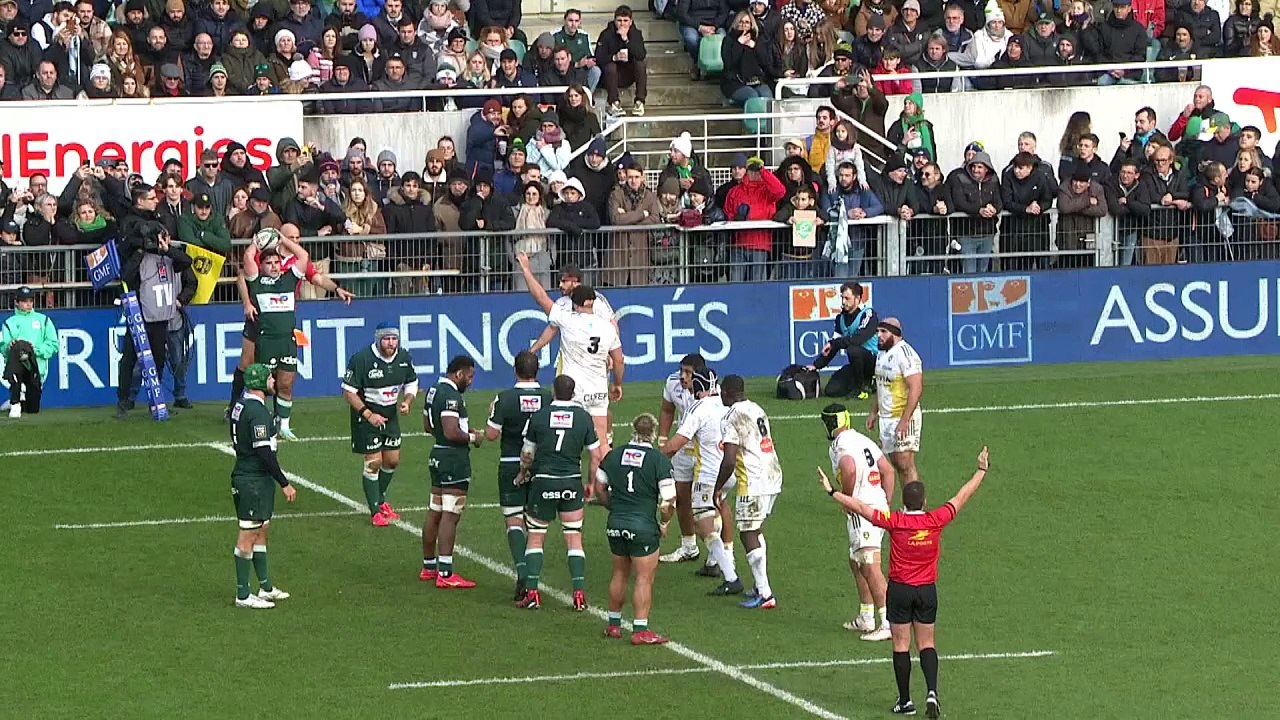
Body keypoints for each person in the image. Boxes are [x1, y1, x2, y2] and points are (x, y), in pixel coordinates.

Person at [818, 447, 991, 719]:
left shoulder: (894, 521)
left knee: (901, 645)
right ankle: (932, 692)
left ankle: (906, 701)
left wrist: (832, 492)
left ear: (904, 502)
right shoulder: (935, 520)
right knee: (927, 644)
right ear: (924, 502)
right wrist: (980, 470)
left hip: (899, 591)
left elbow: (862, 508)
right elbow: (962, 496)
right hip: (926, 590)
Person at [517, 254, 624, 457]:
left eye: (564, 280)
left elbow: (540, 298)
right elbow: (619, 357)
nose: (560, 284)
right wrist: (617, 382)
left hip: (575, 385)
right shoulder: (604, 326)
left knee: (565, 431)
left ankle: (561, 471)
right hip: (597, 385)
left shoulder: (571, 317)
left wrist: (526, 269)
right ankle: (604, 480)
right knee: (600, 441)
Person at [516, 373, 605, 610]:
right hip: (570, 482)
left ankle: (532, 593)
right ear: (573, 393)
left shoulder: (540, 416)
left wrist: (523, 472)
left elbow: (527, 454)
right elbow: (596, 455)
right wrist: (590, 483)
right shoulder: (583, 418)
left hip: (543, 481)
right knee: (574, 537)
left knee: (535, 536)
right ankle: (578, 595)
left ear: (553, 391)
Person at [594, 412, 676, 645]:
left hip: (616, 522)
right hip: (642, 526)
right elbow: (668, 502)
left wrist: (614, 507)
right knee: (643, 577)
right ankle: (640, 629)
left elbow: (599, 489)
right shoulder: (658, 461)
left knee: (619, 572)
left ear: (632, 430)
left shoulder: (613, 456)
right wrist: (664, 523)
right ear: (653, 433)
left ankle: (613, 625)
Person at [661, 367, 742, 595]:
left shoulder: (698, 408)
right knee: (720, 507)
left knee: (701, 523)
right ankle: (716, 562)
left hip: (708, 475)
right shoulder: (727, 406)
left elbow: (678, 442)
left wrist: (654, 457)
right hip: (730, 472)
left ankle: (730, 573)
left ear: (698, 385)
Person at [822, 402, 897, 641]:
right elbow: (888, 471)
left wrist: (846, 498)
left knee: (869, 565)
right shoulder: (863, 439)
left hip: (862, 511)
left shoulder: (839, 445)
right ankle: (866, 616)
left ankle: (887, 622)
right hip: (877, 508)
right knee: (856, 562)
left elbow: (850, 468)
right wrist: (885, 502)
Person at [228, 363, 298, 609]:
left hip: (250, 476)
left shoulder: (240, 405)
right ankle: (243, 594)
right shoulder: (257, 412)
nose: (273, 381)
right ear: (260, 383)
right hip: (253, 479)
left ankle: (265, 587)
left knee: (261, 529)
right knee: (248, 534)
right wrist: (284, 483)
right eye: (269, 378)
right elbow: (264, 454)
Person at [484, 350, 553, 600]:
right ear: (537, 371)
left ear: (515, 370)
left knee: (513, 520)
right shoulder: (548, 398)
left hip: (511, 463)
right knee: (535, 523)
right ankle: (533, 579)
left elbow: (491, 435)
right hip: (541, 466)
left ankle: (523, 574)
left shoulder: (505, 398)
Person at [115, 212, 196, 420]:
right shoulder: (139, 256)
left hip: (161, 319)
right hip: (140, 317)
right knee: (130, 361)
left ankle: (156, 401)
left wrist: (167, 250)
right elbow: (126, 275)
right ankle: (123, 401)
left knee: (158, 360)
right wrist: (142, 249)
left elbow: (187, 261)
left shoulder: (171, 257)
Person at [715, 374, 784, 609]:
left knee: (747, 533)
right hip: (773, 474)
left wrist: (718, 488)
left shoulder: (731, 417)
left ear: (727, 393)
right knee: (755, 528)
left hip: (753, 481)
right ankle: (760, 585)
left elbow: (730, 459)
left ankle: (765, 593)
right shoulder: (756, 408)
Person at [342, 322, 418, 527]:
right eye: (386, 339)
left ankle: (381, 500)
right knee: (374, 462)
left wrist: (407, 401)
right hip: (366, 416)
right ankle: (375, 511)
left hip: (390, 415)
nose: (391, 343)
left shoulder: (403, 358)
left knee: (392, 460)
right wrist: (368, 414)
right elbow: (348, 391)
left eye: (394, 339)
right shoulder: (362, 359)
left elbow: (412, 382)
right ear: (378, 339)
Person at [421, 354, 484, 589]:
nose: (470, 381)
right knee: (450, 513)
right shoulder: (450, 395)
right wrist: (472, 437)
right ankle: (445, 573)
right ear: (459, 374)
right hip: (453, 458)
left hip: (437, 454)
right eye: (469, 376)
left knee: (435, 511)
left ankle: (429, 567)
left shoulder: (433, 390)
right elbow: (450, 431)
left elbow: (428, 426)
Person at [241, 228, 310, 440]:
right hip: (266, 340)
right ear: (261, 266)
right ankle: (259, 423)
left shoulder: (289, 279)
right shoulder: (257, 282)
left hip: (287, 341)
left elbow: (303, 257)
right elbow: (247, 257)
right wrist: (256, 242)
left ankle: (284, 426)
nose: (274, 266)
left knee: (286, 384)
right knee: (263, 384)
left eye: (276, 262)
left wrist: (283, 239)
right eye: (269, 263)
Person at [657, 353, 719, 570]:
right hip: (683, 446)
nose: (683, 376)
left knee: (714, 501)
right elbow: (667, 409)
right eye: (681, 370)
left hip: (706, 450)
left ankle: (719, 553)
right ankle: (688, 546)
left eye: (688, 373)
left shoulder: (711, 392)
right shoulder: (672, 383)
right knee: (682, 496)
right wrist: (663, 439)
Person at [868, 317, 923, 484]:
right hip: (886, 418)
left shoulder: (905, 354)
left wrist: (905, 420)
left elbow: (916, 387)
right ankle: (909, 505)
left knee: (906, 464)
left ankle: (917, 508)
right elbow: (882, 386)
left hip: (902, 416)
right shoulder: (881, 354)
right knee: (896, 464)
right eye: (878, 331)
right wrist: (873, 412)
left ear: (896, 334)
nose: (879, 335)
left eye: (883, 332)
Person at [808, 281, 878, 399]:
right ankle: (866, 382)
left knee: (853, 350)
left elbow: (857, 339)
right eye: (842, 298)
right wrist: (816, 365)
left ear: (858, 298)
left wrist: (834, 343)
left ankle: (861, 388)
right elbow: (834, 345)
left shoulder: (869, 314)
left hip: (874, 362)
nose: (843, 302)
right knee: (832, 390)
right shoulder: (841, 318)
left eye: (847, 298)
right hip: (857, 365)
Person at [2, 285, 57, 418]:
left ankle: (21, 400)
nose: (28, 304)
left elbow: (54, 345)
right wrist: (9, 346)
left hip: (35, 366)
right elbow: (3, 348)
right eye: (24, 301)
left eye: (30, 301)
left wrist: (35, 350)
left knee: (33, 409)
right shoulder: (9, 323)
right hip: (18, 365)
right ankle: (15, 401)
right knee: (18, 346)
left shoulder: (43, 320)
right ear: (17, 302)